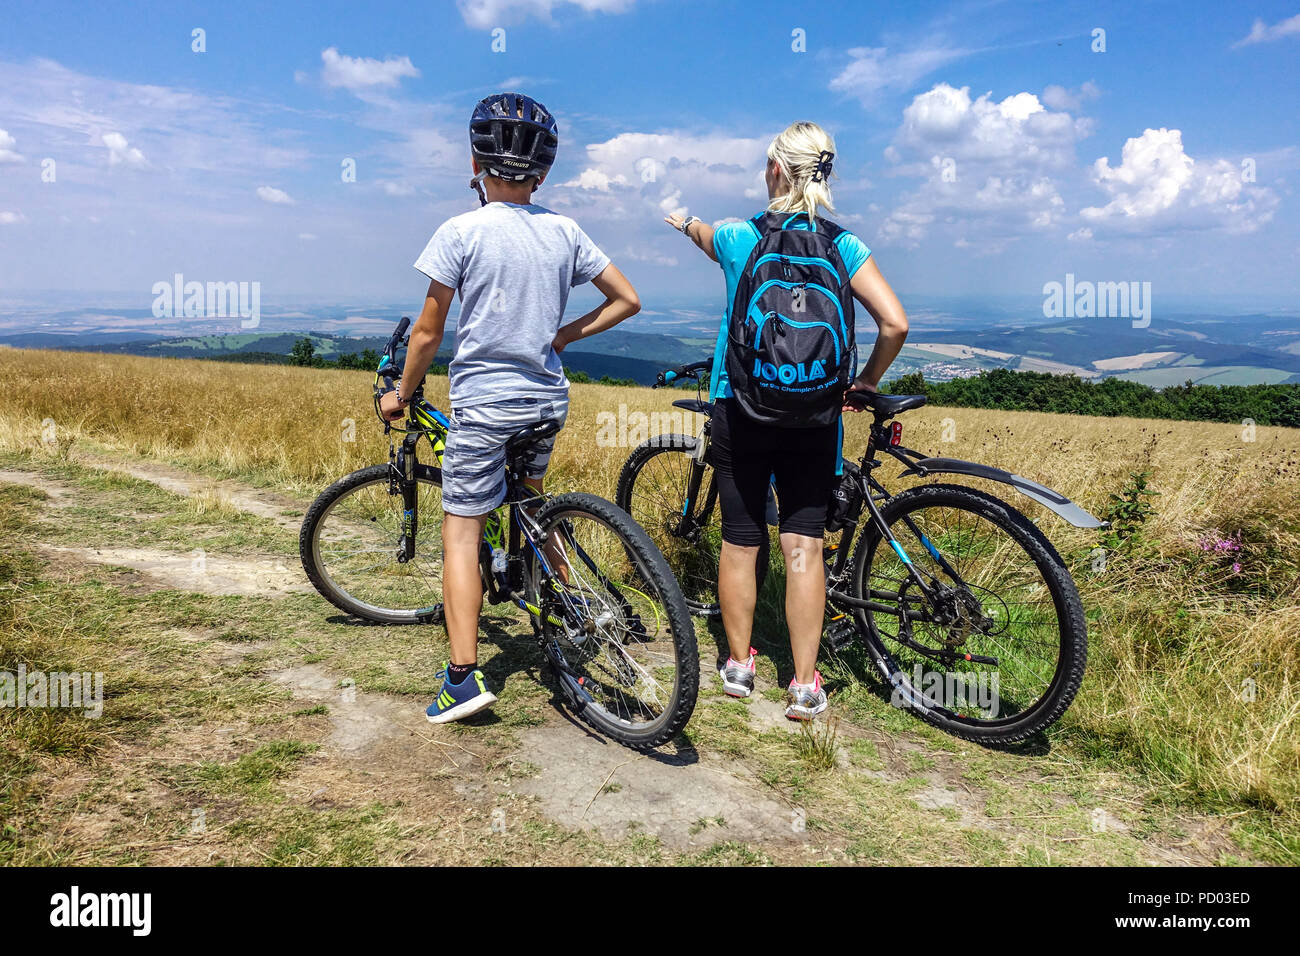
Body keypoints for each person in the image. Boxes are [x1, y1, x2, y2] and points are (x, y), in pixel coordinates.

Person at [381, 92, 641, 723]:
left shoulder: (460, 232)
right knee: (529, 504)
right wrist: (561, 337)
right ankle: (580, 611)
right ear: (544, 172)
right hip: (547, 399)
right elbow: (626, 299)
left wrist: (402, 395)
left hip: (487, 404)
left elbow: (427, 332)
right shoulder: (564, 231)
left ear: (475, 161)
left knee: (461, 531)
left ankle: (463, 680)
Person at [663, 121, 908, 719]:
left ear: (775, 169)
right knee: (804, 546)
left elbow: (703, 234)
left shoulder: (740, 237)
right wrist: (865, 383)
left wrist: (684, 222)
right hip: (816, 416)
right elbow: (895, 323)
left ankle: (740, 666)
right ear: (826, 175)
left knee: (741, 540)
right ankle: (803, 684)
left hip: (740, 407)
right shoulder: (845, 246)